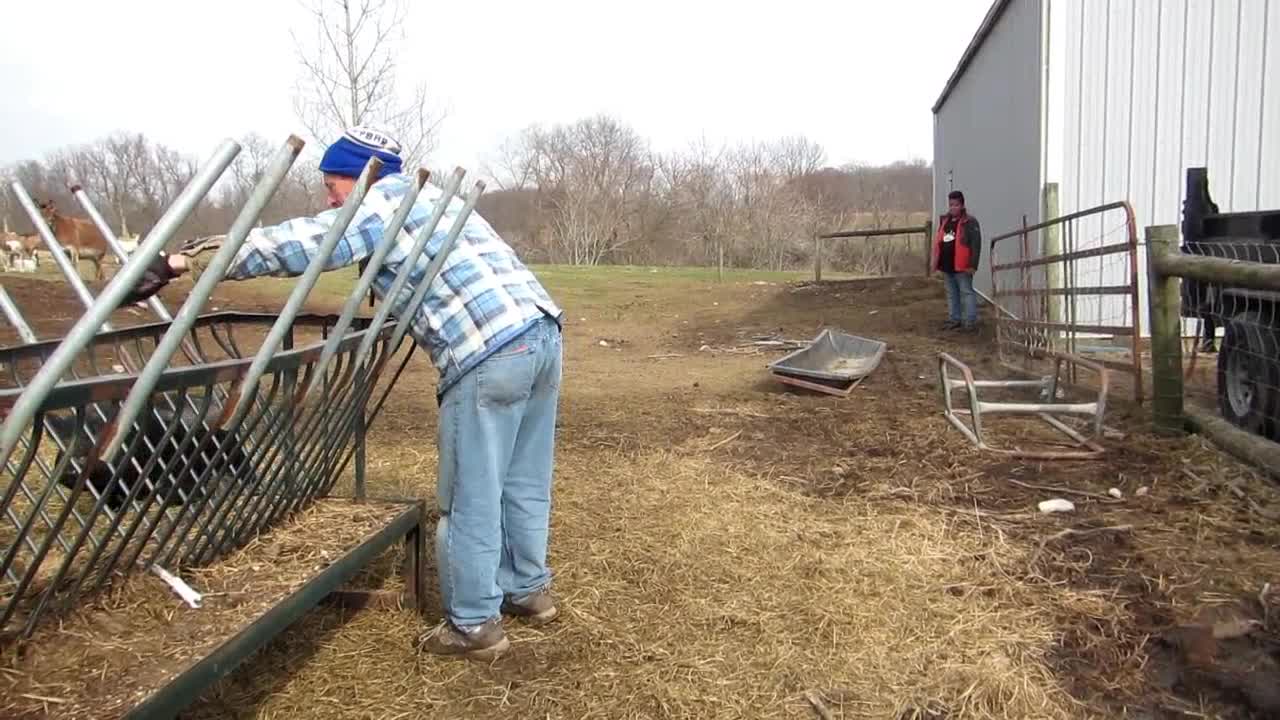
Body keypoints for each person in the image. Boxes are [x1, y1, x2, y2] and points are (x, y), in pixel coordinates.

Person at [135, 126, 564, 662]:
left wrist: (187, 259)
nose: (328, 198)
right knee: (524, 478)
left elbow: (305, 243)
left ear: (359, 175)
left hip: (488, 350)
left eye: (330, 184)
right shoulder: (436, 197)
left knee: (473, 494)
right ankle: (527, 589)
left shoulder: (380, 202)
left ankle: (474, 625)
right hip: (541, 332)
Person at [932, 190, 982, 332]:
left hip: (963, 266)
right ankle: (955, 319)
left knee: (966, 292)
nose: (953, 208)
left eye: (956, 205)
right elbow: (940, 242)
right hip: (947, 265)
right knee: (951, 293)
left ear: (962, 205)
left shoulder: (970, 222)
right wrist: (935, 262)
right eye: (951, 205)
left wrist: (973, 265)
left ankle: (970, 321)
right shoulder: (945, 221)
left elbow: (976, 244)